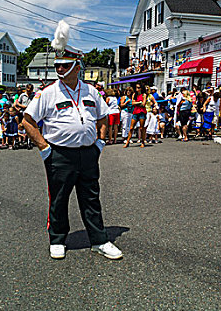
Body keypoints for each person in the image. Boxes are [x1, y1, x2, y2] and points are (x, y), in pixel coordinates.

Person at [22, 20, 122, 260]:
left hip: (88, 152)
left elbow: (104, 117)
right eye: (57, 65)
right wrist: (45, 148)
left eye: (65, 65)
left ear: (77, 66)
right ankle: (57, 239)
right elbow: (27, 120)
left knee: (91, 197)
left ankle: (99, 240)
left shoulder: (91, 91)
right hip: (60, 154)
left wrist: (100, 143)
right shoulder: (48, 93)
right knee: (58, 198)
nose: (59, 69)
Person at [124, 83, 147, 148]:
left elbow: (143, 104)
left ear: (141, 88)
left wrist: (137, 103)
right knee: (131, 128)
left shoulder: (144, 95)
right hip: (135, 112)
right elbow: (133, 103)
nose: (137, 89)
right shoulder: (134, 94)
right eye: (136, 87)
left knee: (141, 128)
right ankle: (127, 141)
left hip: (142, 112)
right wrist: (139, 102)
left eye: (138, 87)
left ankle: (142, 142)